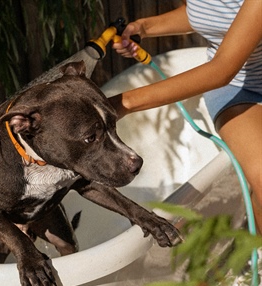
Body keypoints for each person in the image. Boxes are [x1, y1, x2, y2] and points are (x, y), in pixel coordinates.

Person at [110, 0, 262, 234]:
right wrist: (144, 27)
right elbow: (207, 11)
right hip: (238, 89)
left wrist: (123, 103)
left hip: (223, 73)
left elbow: (222, 69)